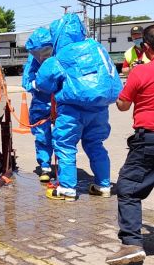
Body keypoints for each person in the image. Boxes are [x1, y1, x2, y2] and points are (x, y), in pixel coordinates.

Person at [34, 13, 122, 201]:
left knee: (65, 145)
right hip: (99, 110)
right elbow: (112, 77)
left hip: (71, 111)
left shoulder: (61, 55)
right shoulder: (97, 48)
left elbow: (43, 82)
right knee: (95, 144)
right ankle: (103, 185)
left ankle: (67, 188)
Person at [106, 23, 154, 265]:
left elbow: (123, 105)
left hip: (149, 141)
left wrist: (121, 92)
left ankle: (131, 244)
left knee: (128, 188)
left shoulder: (141, 72)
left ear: (145, 47)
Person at [22, 27, 54, 182]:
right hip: (41, 103)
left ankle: (64, 168)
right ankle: (45, 166)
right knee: (42, 135)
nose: (42, 55)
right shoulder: (33, 59)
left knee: (63, 136)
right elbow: (26, 81)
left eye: (46, 49)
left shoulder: (60, 54)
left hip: (60, 101)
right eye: (37, 52)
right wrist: (37, 84)